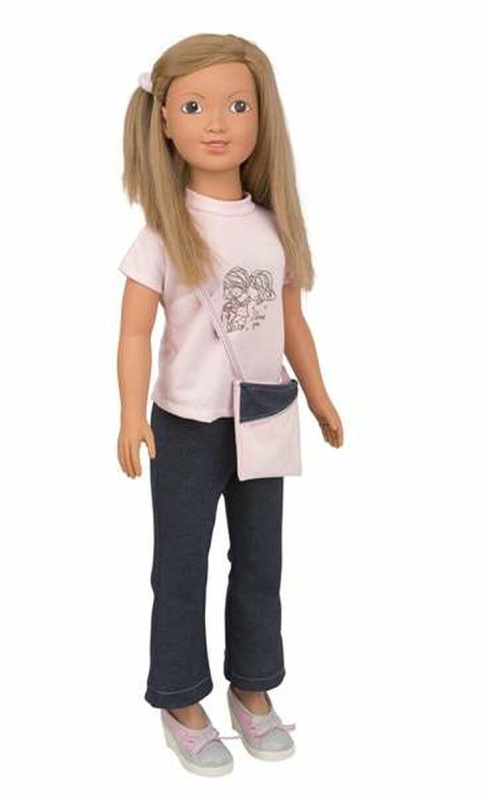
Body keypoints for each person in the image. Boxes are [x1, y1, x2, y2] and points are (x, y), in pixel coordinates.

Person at [116, 33, 344, 777]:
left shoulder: (274, 226)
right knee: (181, 566)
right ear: (164, 121)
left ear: (261, 115)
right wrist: (131, 412)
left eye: (237, 105)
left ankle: (253, 687)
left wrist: (319, 396)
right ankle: (181, 699)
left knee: (260, 561)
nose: (217, 122)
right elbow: (134, 331)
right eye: (195, 107)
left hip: (266, 411)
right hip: (186, 424)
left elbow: (292, 322)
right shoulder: (162, 233)